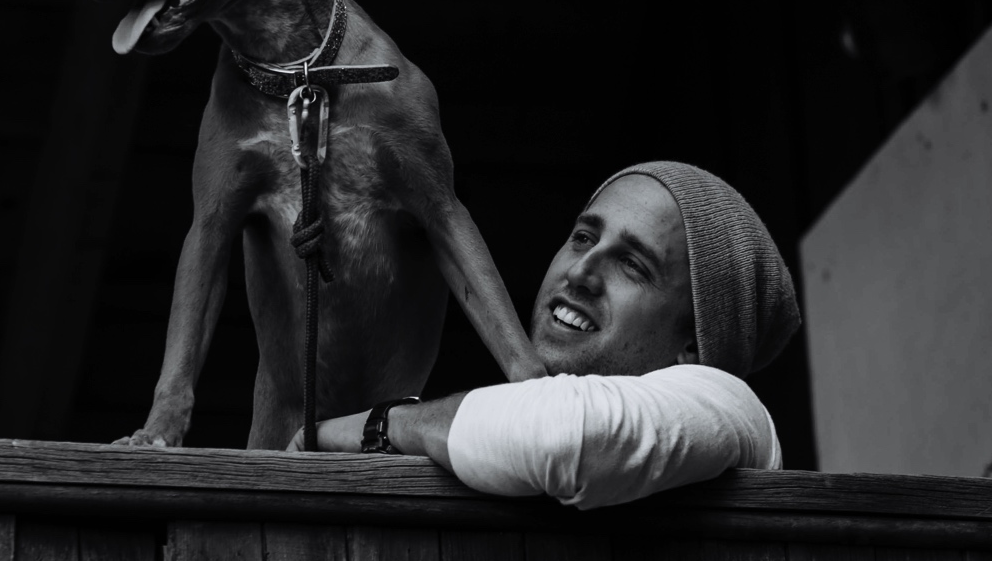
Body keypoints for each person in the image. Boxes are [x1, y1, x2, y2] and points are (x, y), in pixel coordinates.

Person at [297, 161, 800, 509]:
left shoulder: (731, 406)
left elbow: (562, 436)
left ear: (693, 345)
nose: (581, 270)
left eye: (632, 264)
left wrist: (378, 425)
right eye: (583, 237)